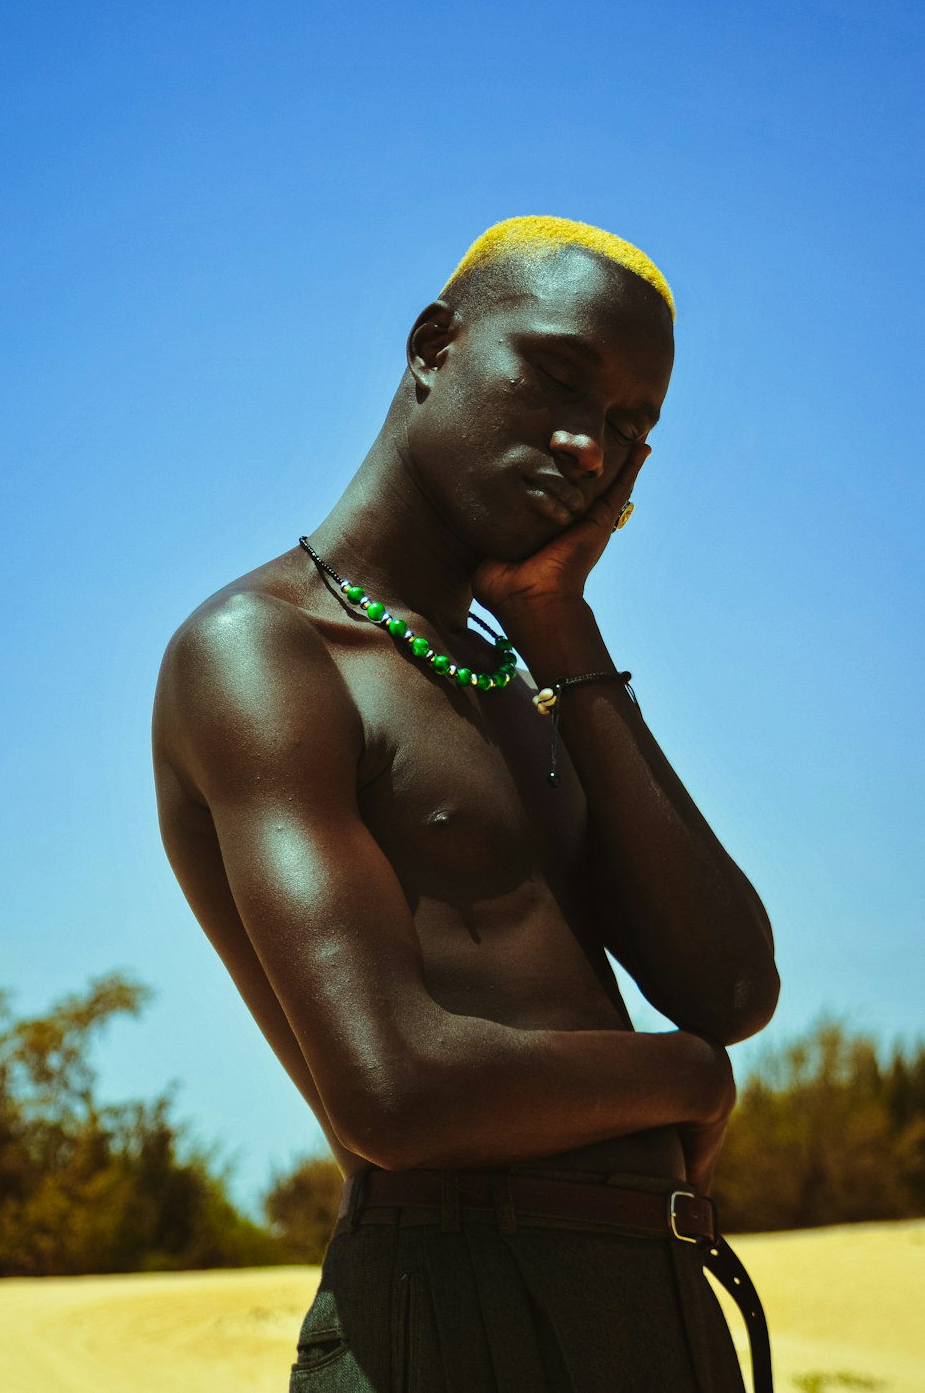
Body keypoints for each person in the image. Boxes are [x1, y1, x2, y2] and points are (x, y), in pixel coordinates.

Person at [152, 215, 780, 1392]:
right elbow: (394, 1089)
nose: (590, 447)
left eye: (630, 427)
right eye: (558, 379)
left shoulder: (511, 675)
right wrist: (686, 1080)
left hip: (653, 1300)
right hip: (447, 1311)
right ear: (434, 346)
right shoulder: (264, 655)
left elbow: (730, 986)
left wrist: (559, 625)